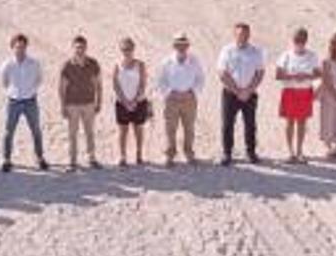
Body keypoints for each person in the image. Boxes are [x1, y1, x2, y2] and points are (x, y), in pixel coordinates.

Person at [216, 22, 265, 165]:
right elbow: (222, 72)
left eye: (244, 34)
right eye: (239, 34)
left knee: (250, 124)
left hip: (250, 94)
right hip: (230, 93)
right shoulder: (227, 50)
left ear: (249, 35)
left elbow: (260, 72)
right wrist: (237, 91)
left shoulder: (256, 52)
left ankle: (251, 152)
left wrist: (249, 90)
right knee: (227, 124)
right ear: (234, 34)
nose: (242, 36)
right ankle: (227, 153)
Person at [0, 33, 50, 172]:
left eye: (22, 47)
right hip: (13, 102)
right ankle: (6, 159)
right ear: (12, 47)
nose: (20, 49)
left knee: (36, 130)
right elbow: (4, 82)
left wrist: (30, 90)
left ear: (26, 47)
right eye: (17, 47)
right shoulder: (7, 65)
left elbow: (39, 79)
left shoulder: (34, 63)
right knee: (9, 132)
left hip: (30, 101)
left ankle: (40, 158)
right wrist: (13, 92)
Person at [156, 32, 205, 165]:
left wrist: (192, 92)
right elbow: (160, 81)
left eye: (184, 44)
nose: (181, 47)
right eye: (178, 44)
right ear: (174, 46)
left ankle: (189, 154)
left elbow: (200, 79)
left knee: (189, 128)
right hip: (172, 100)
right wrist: (170, 92)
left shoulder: (195, 61)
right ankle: (170, 155)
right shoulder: (166, 62)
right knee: (170, 128)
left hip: (189, 99)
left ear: (188, 45)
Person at [275, 28, 322, 163]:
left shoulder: (312, 55)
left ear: (306, 40)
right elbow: (278, 74)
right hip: (290, 90)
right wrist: (293, 76)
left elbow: (319, 73)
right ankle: (290, 152)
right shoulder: (286, 55)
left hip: (305, 91)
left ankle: (300, 151)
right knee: (290, 122)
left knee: (302, 122)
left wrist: (307, 76)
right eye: (297, 40)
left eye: (302, 40)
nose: (299, 42)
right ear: (293, 40)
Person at [59, 35, 103, 170]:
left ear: (86, 48)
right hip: (72, 104)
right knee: (72, 133)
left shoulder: (93, 64)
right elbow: (62, 88)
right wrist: (63, 106)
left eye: (82, 47)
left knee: (89, 132)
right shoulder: (67, 65)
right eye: (77, 47)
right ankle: (72, 161)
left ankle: (92, 158)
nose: (80, 50)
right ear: (73, 48)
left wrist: (99, 102)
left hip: (89, 103)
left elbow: (98, 85)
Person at [112, 37, 150, 166]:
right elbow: (115, 84)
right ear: (121, 50)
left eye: (129, 49)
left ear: (133, 49)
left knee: (138, 129)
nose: (126, 52)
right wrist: (124, 101)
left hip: (139, 102)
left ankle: (139, 155)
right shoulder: (117, 65)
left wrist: (134, 100)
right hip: (122, 103)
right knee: (122, 130)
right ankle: (122, 156)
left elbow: (143, 83)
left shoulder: (140, 64)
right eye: (124, 49)